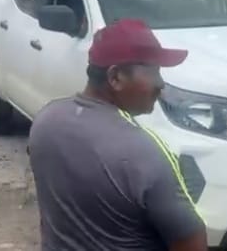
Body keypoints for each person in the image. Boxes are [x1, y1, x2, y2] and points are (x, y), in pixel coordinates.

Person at [27, 19, 207, 251]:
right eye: (153, 71)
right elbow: (192, 242)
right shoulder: (143, 150)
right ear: (116, 78)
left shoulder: (46, 120)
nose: (161, 84)